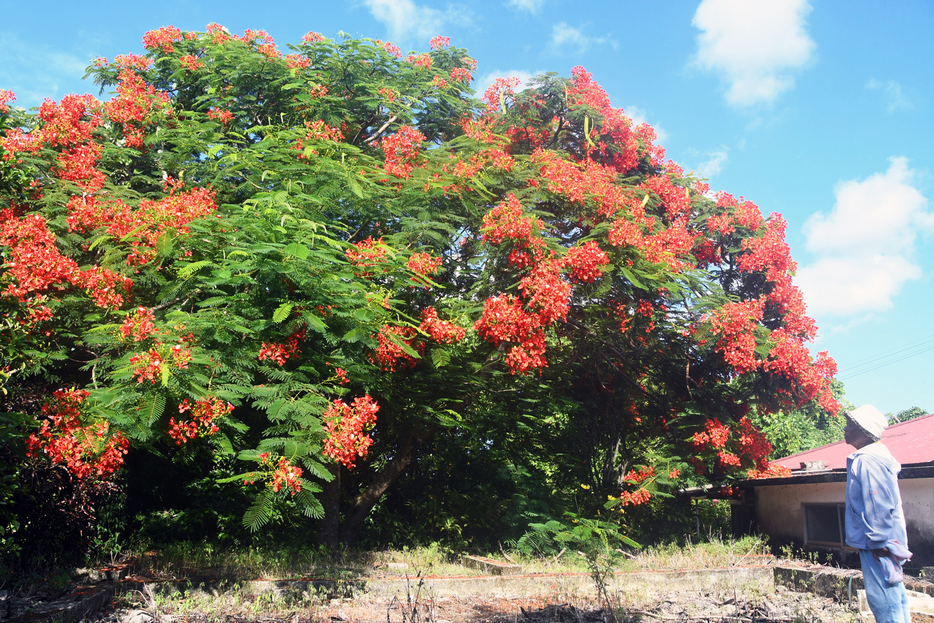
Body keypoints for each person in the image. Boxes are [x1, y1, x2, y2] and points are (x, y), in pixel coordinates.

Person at [844, 404, 912, 623]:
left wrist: (878, 540)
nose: (845, 430)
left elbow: (878, 502)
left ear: (864, 432)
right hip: (881, 541)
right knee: (894, 597)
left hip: (878, 543)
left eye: (849, 426)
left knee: (884, 601)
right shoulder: (874, 456)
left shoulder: (868, 460)